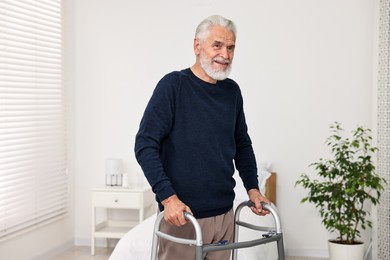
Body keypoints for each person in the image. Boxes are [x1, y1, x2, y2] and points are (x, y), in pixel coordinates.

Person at [134, 14, 270, 260]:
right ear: (197, 46)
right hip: (182, 216)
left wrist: (253, 188)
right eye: (217, 45)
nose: (225, 55)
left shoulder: (232, 92)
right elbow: (145, 144)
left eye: (230, 48)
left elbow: (242, 144)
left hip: (224, 215)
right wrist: (168, 198)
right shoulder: (173, 85)